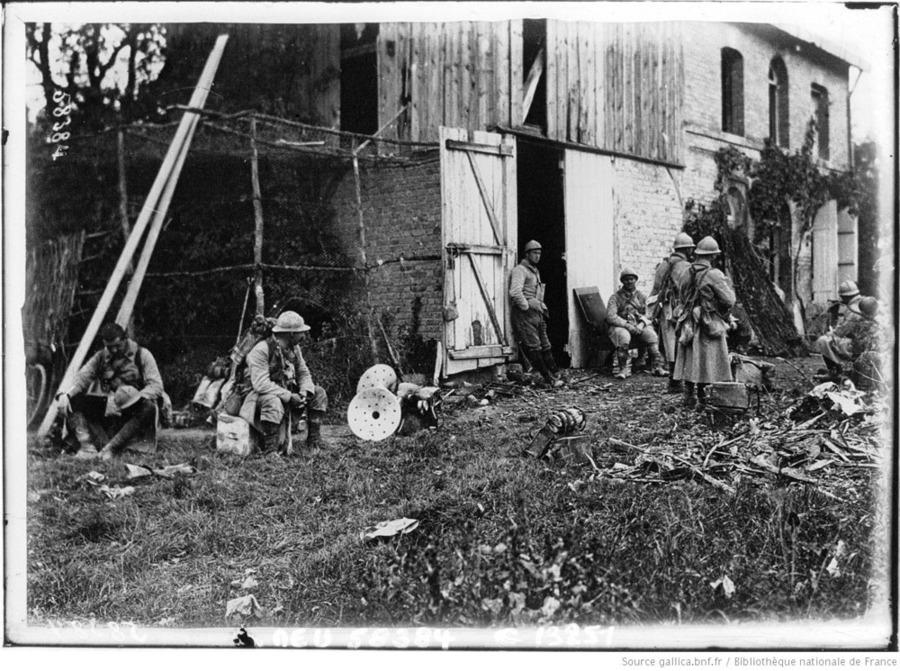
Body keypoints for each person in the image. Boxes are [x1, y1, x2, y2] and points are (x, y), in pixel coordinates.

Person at [55, 322, 165, 460]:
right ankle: (88, 448)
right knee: (74, 401)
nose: (113, 351)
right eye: (109, 347)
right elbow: (82, 378)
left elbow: (156, 385)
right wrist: (66, 394)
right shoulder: (100, 357)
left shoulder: (142, 355)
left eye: (117, 346)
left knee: (149, 407)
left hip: (135, 408)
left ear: (125, 339)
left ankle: (111, 448)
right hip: (112, 409)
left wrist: (133, 398)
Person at [238, 310, 329, 453]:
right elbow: (261, 384)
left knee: (319, 393)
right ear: (291, 333)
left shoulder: (294, 349)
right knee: (272, 400)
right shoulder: (261, 350)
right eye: (301, 332)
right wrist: (289, 396)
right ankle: (271, 451)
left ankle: (314, 441)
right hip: (258, 399)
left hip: (285, 393)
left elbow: (303, 372)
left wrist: (305, 392)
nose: (304, 336)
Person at [672, 236, 736, 410]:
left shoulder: (685, 272)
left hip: (688, 321)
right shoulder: (714, 274)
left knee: (690, 357)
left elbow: (681, 296)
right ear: (713, 256)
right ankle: (704, 399)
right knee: (707, 360)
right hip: (708, 320)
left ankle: (689, 396)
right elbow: (729, 300)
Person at [509, 240, 563, 387]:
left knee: (546, 344)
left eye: (539, 253)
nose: (537, 256)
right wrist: (525, 306)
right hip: (525, 315)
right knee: (534, 347)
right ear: (527, 254)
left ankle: (556, 372)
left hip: (537, 313)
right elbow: (515, 291)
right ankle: (548, 378)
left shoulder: (534, 270)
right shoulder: (520, 270)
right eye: (534, 253)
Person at [651, 232, 695, 392]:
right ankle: (678, 382)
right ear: (688, 250)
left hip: (665, 310)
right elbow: (690, 291)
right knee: (683, 344)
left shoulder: (663, 265)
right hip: (681, 310)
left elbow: (655, 291)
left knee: (669, 346)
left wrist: (653, 314)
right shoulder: (687, 267)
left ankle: (673, 381)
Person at [606, 268, 666, 379]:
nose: (629, 281)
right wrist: (627, 325)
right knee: (623, 336)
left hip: (638, 325)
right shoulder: (615, 297)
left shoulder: (641, 296)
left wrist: (641, 324)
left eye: (632, 279)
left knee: (651, 335)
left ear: (635, 280)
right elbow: (611, 316)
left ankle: (657, 367)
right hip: (621, 326)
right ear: (622, 281)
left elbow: (648, 313)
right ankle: (622, 369)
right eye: (626, 279)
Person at [812, 280, 868, 380]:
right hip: (866, 342)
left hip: (858, 345)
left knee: (823, 341)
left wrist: (829, 332)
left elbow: (841, 332)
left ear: (845, 297)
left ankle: (834, 372)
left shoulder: (853, 309)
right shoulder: (863, 302)